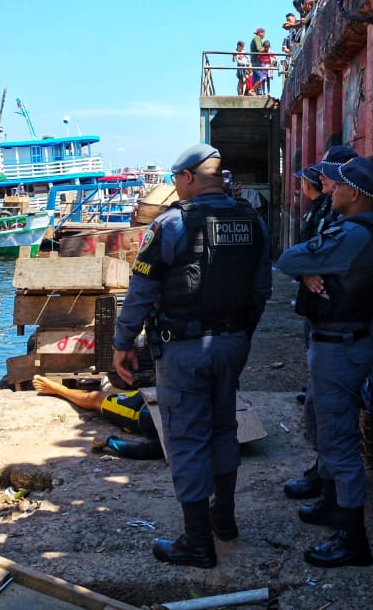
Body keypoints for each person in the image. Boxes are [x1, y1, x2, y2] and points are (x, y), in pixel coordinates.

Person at [112, 144, 271, 569]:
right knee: (224, 429)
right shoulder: (252, 221)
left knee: (186, 439)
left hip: (184, 351)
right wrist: (240, 337)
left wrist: (122, 343)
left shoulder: (170, 225)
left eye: (175, 180)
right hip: (232, 344)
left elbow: (140, 292)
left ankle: (197, 542)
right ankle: (225, 520)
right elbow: (261, 290)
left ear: (186, 178)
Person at [277, 157, 373, 568]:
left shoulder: (354, 235)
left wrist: (307, 268)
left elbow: (289, 259)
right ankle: (330, 505)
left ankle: (353, 539)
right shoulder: (355, 231)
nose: (328, 190)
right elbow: (300, 265)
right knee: (327, 430)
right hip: (337, 343)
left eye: (336, 185)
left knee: (340, 443)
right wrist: (311, 272)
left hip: (340, 348)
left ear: (355, 193)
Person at [281, 145, 358, 503]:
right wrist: (307, 268)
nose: (321, 179)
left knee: (332, 421)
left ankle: (335, 500)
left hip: (338, 332)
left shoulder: (348, 221)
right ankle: (324, 477)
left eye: (329, 173)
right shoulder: (329, 209)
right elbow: (302, 255)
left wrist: (309, 265)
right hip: (323, 321)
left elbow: (306, 254)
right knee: (319, 411)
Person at [32, 375, 163, 459]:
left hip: (137, 411)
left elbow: (145, 450)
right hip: (152, 397)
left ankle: (58, 389)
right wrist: (110, 441)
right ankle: (108, 388)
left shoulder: (177, 438)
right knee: (116, 396)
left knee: (95, 399)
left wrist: (110, 441)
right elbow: (147, 450)